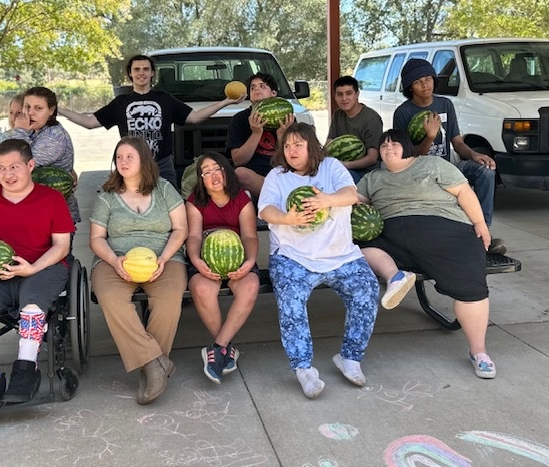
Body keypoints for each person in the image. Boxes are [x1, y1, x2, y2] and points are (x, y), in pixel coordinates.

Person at [357, 129, 497, 379]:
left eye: (395, 143)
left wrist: (480, 224)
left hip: (444, 228)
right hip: (392, 235)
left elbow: (464, 193)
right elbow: (354, 202)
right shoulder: (372, 178)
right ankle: (396, 277)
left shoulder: (432, 164)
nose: (389, 148)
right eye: (384, 145)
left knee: (471, 288)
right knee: (360, 249)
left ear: (408, 146)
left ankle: (479, 352)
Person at [258, 122, 380, 399]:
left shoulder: (332, 167)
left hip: (340, 255)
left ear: (312, 146)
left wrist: (327, 200)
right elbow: (265, 210)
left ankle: (350, 358)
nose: (291, 151)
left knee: (367, 290)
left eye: (298, 145)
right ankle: (304, 369)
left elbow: (350, 195)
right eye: (287, 146)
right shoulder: (277, 176)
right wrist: (287, 218)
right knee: (291, 301)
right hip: (293, 256)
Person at [0, 139, 74, 406]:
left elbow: (62, 245)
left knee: (32, 307)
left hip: (42, 267)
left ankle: (26, 369)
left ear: (30, 165)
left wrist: (33, 267)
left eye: (15, 167)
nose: (8, 174)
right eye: (2, 167)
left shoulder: (51, 199)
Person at [90, 136, 188, 405]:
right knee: (111, 297)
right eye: (119, 157)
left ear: (144, 159)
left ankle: (150, 366)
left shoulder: (164, 189)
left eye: (129, 156)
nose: (123, 162)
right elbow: (96, 238)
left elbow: (181, 229)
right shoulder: (107, 195)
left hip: (163, 258)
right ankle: (155, 363)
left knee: (169, 298)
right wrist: (114, 260)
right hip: (117, 259)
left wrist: (165, 258)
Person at [58, 54, 244, 187]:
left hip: (162, 165)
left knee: (170, 210)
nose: (141, 73)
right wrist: (58, 110)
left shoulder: (164, 98)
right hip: (131, 166)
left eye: (146, 69)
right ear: (130, 74)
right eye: (136, 69)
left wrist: (226, 102)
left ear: (152, 73)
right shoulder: (121, 103)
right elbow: (90, 122)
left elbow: (195, 118)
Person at [393, 58, 505, 254]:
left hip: (448, 168)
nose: (425, 84)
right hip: (420, 172)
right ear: (410, 86)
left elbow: (457, 142)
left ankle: (484, 231)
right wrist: (429, 137)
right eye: (418, 81)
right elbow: (406, 156)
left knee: (486, 172)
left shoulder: (445, 104)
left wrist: (474, 155)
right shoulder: (403, 113)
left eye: (428, 78)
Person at [186, 151, 260, 384]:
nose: (213, 175)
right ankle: (226, 348)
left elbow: (249, 236)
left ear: (226, 171)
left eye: (217, 169)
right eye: (206, 172)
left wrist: (249, 262)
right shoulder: (195, 201)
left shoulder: (242, 199)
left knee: (250, 287)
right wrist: (197, 261)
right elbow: (195, 236)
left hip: (238, 259)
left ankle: (218, 347)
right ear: (201, 179)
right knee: (201, 289)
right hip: (206, 260)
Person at [3, 86, 80, 225]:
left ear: (51, 110)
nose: (30, 113)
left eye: (38, 108)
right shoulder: (35, 130)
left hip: (54, 217)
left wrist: (20, 130)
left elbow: (19, 163)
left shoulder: (54, 136)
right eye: (27, 107)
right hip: (37, 211)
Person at [227, 72, 295, 200]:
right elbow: (238, 161)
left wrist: (282, 135)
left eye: (262, 86)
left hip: (281, 172)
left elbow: (293, 160)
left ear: (274, 93)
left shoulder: (287, 118)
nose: (256, 89)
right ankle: (282, 197)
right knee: (240, 174)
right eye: (252, 88)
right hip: (254, 175)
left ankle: (272, 201)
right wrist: (256, 133)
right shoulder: (239, 119)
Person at [326, 75, 383, 184]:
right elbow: (329, 144)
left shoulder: (371, 118)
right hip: (343, 168)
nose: (344, 98)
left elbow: (372, 157)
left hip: (367, 173)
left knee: (337, 181)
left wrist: (345, 165)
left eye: (349, 93)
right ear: (335, 96)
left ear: (357, 94)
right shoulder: (338, 115)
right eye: (339, 94)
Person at [0, 94, 24, 187]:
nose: (13, 118)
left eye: (19, 113)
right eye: (11, 112)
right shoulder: (1, 140)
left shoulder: (40, 139)